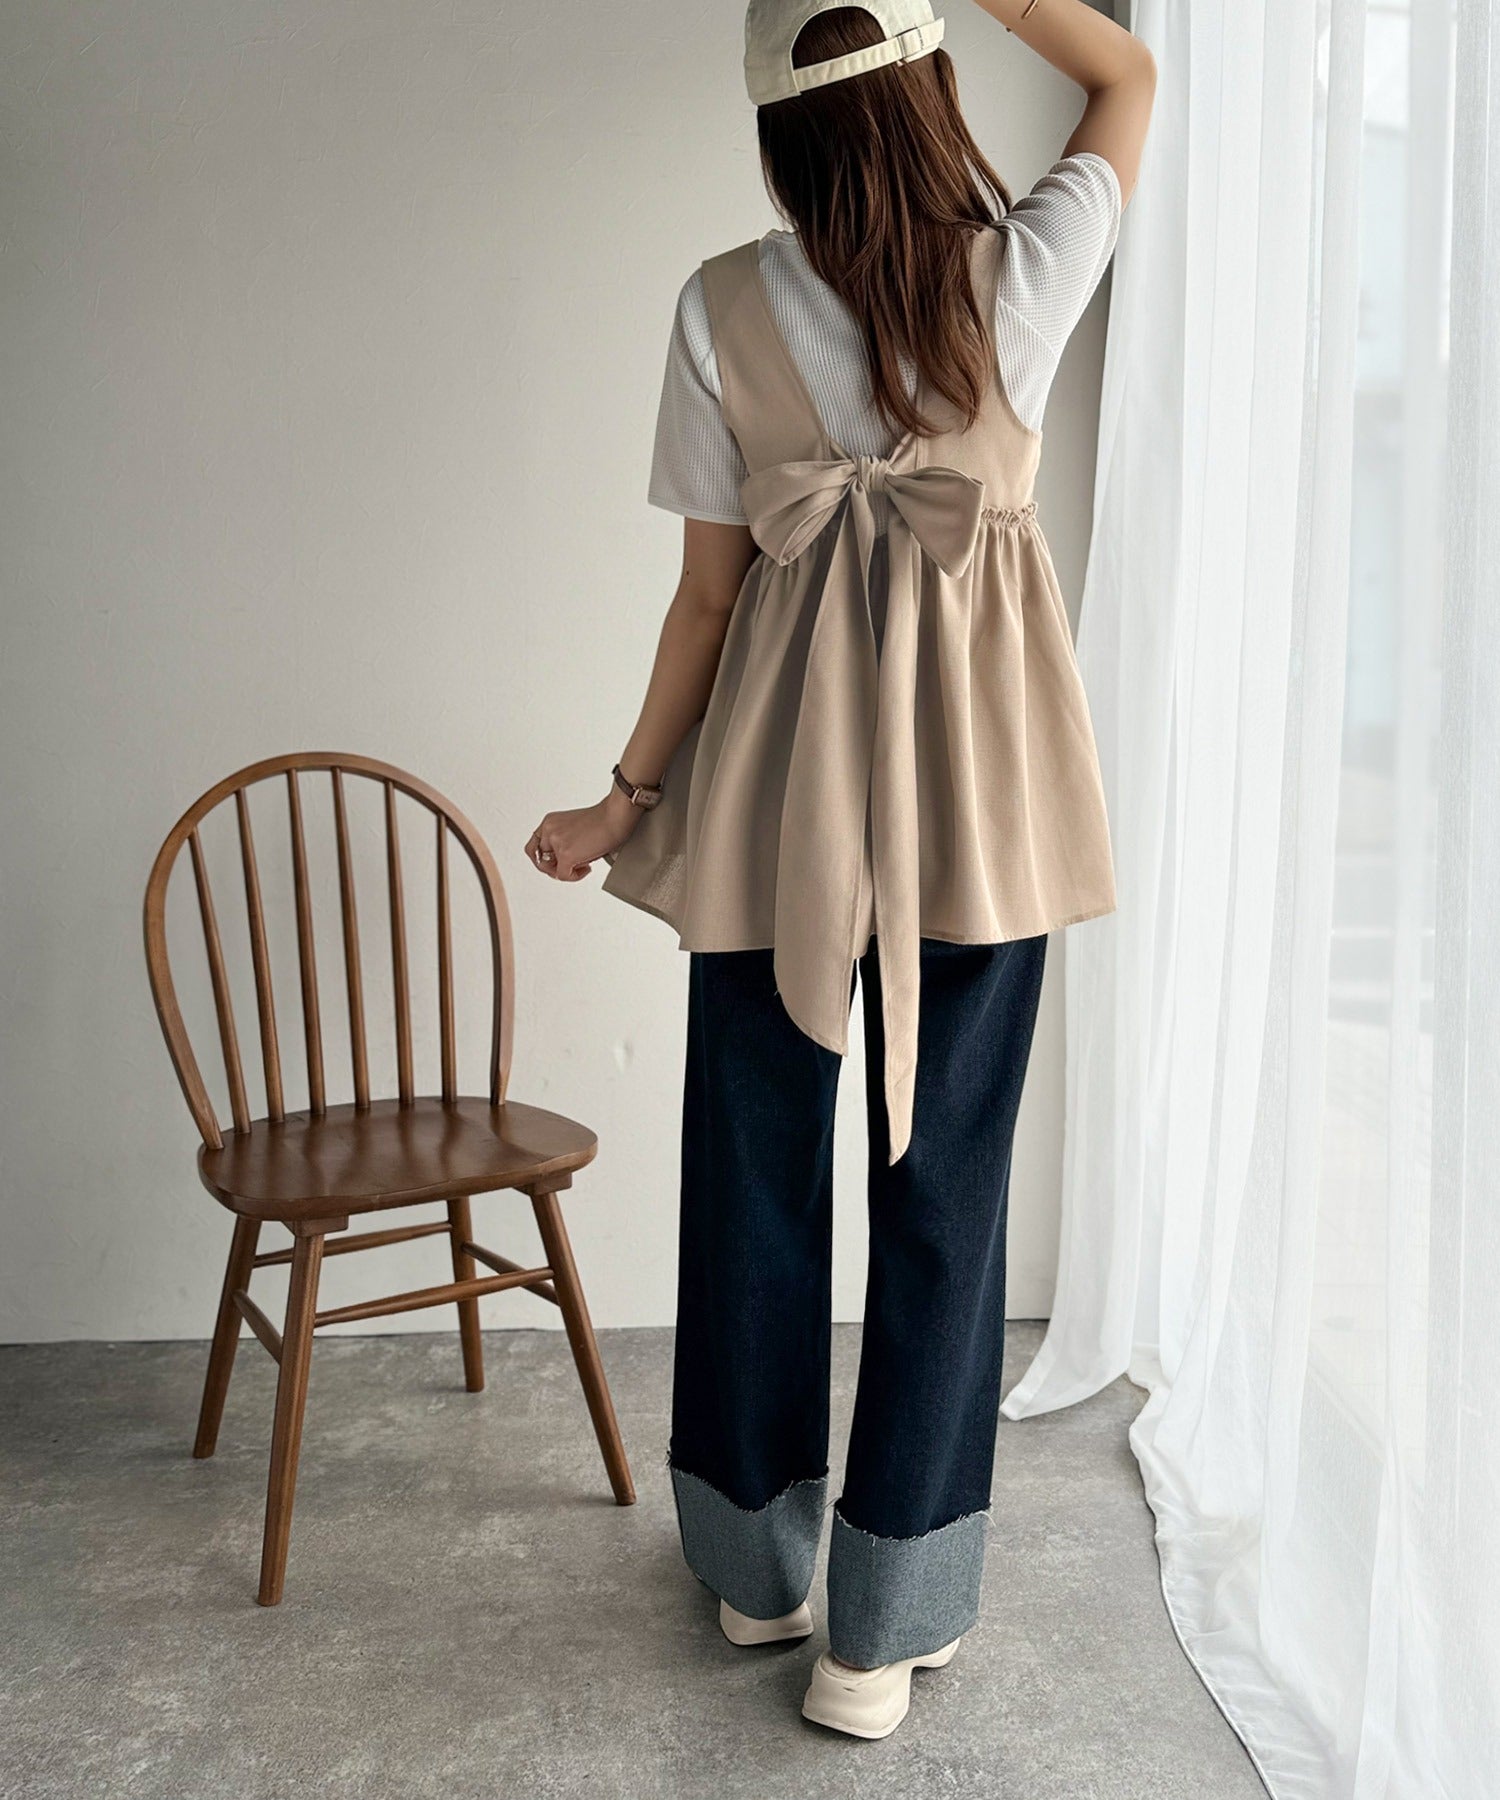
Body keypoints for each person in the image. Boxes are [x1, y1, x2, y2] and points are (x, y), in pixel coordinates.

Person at [525, 0, 1154, 1742]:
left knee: (754, 1170)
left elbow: (708, 599)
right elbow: (1127, 73)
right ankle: (880, 1633)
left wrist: (625, 800)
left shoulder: (718, 305)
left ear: (774, 127)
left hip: (773, 802)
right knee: (945, 1192)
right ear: (931, 86)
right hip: (978, 805)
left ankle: (757, 1565)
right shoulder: (1024, 271)